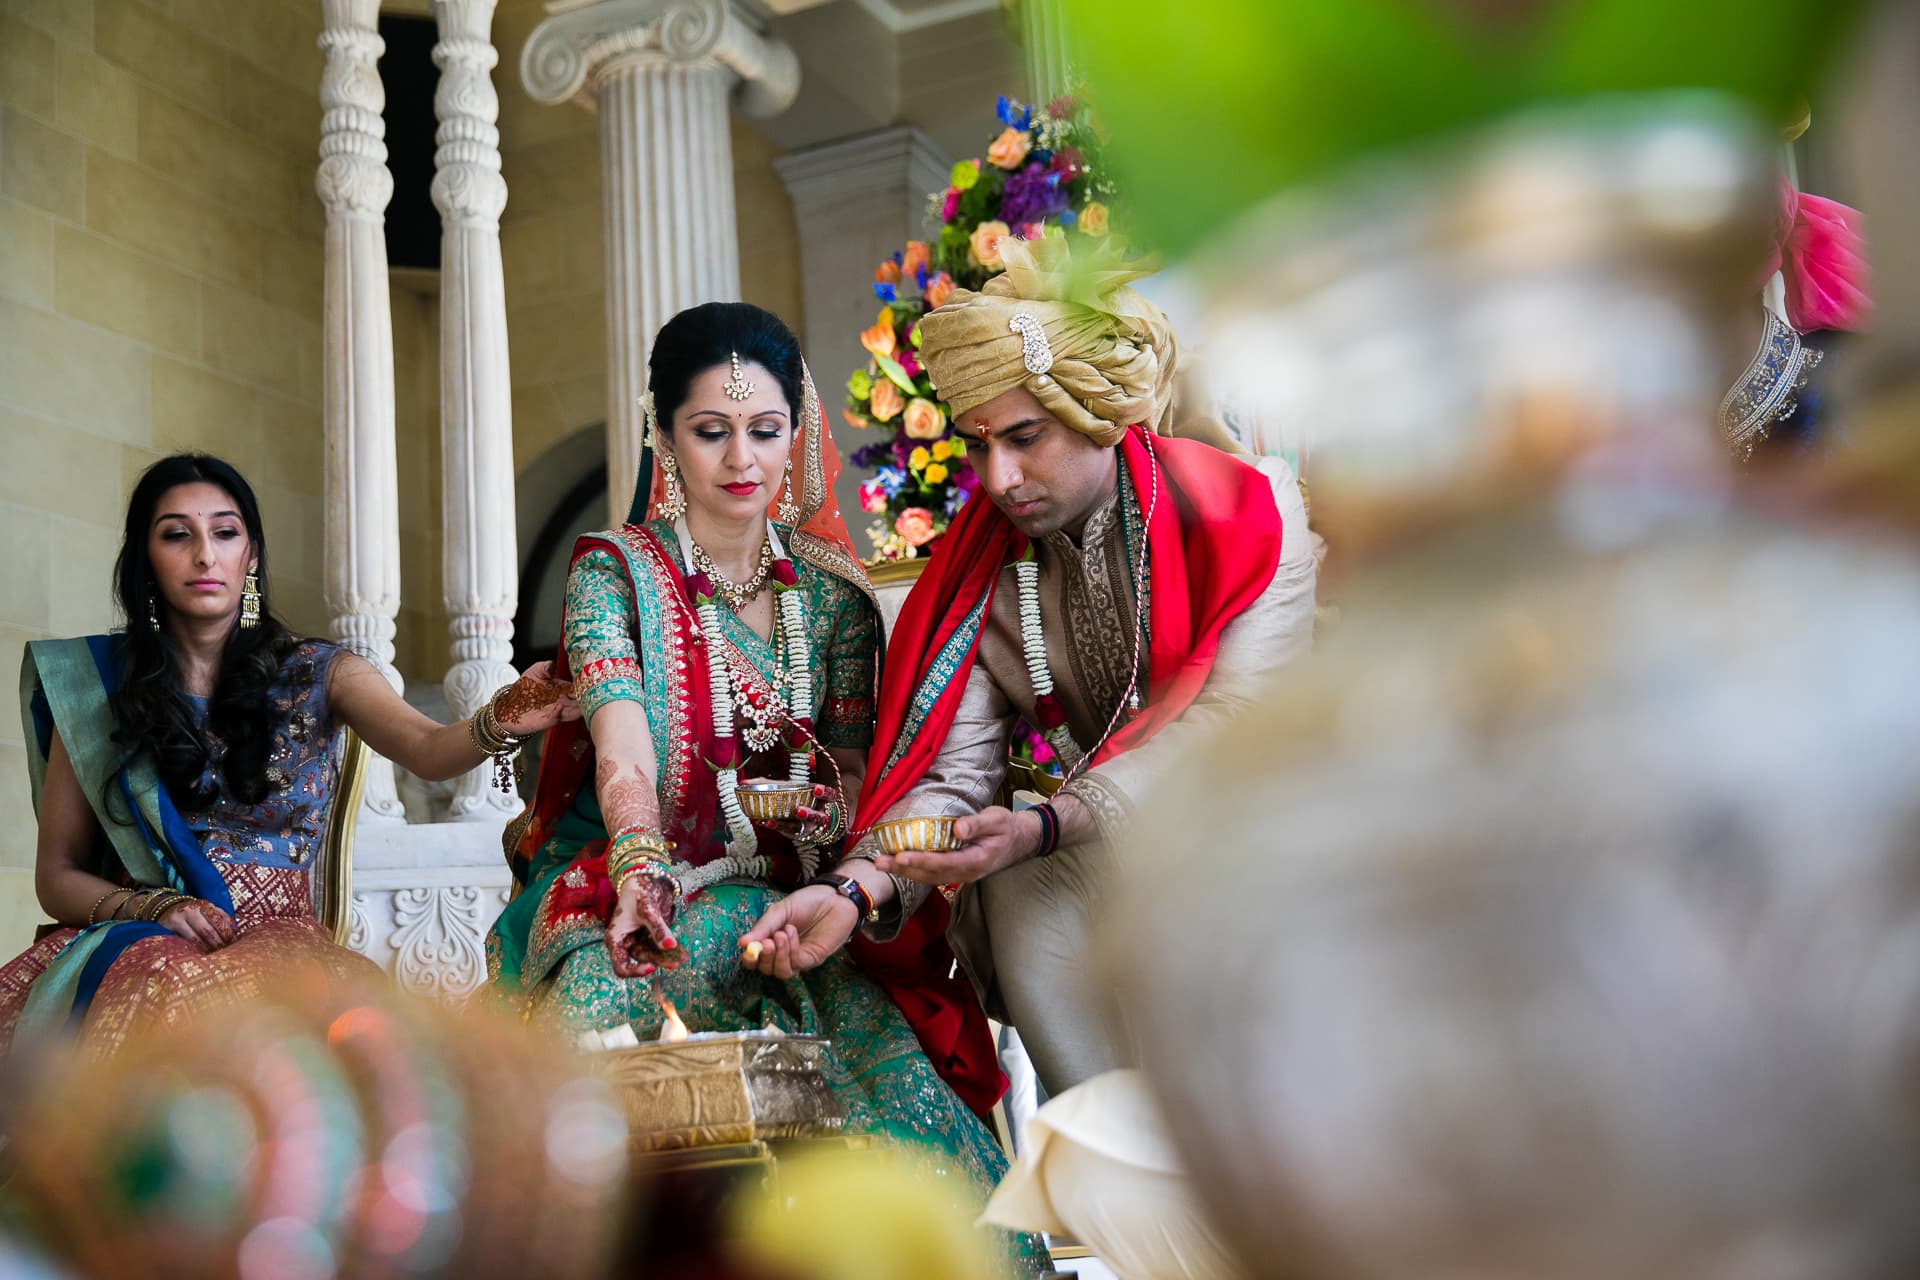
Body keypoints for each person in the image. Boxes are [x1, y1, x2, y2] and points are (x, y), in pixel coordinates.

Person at [485, 303, 1028, 1243]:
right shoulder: (614, 575)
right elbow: (623, 745)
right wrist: (645, 869)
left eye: (764, 431)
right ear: (665, 439)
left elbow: (856, 780)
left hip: (795, 911)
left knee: (907, 1132)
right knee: (589, 1071)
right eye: (710, 432)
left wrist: (829, 819)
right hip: (639, 892)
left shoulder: (835, 598)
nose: (742, 459)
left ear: (797, 435)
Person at [739, 235, 1318, 1101]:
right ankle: (1107, 1154)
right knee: (1018, 886)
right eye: (977, 447)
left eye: (1024, 437)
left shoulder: (1249, 512)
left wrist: (1048, 823)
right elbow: (954, 777)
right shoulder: (988, 571)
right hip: (1109, 847)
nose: (999, 478)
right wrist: (855, 892)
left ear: (1096, 412)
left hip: (1266, 835)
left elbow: (1230, 734)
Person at [4, 453, 575, 1056]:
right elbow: (57, 875)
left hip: (280, 945)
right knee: (154, 982)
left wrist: (504, 716)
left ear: (250, 555)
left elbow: (427, 750)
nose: (205, 554)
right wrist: (149, 904)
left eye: (224, 533)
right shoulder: (99, 693)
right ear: (146, 559)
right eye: (177, 535)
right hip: (143, 935)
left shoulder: (319, 674)